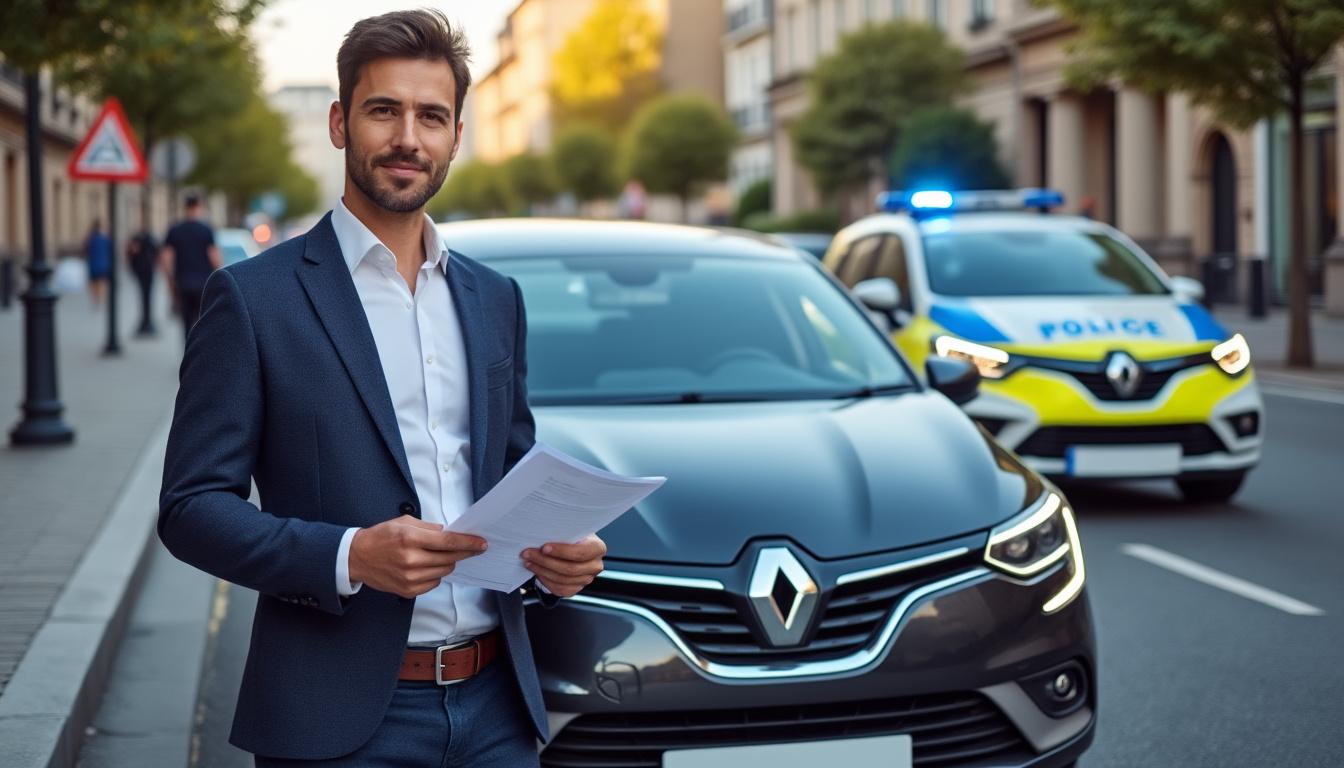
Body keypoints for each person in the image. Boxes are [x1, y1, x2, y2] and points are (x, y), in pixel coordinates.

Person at [158, 10, 606, 766]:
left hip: (498, 706)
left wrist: (562, 554)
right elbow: (191, 508)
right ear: (340, 123)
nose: (409, 138)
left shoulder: (495, 298)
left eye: (432, 116)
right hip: (339, 721)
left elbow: (514, 478)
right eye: (383, 110)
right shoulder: (252, 299)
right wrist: (349, 556)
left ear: (456, 137)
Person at [159, 193, 220, 342]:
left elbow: (166, 258)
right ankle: (200, 357)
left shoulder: (175, 229)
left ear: (185, 207)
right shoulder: (206, 229)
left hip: (183, 282)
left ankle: (187, 357)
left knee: (185, 322)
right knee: (203, 322)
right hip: (203, 284)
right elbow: (215, 257)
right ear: (198, 207)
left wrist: (170, 280)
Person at [126, 223, 158, 336]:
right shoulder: (149, 240)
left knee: (145, 296)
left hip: (144, 271)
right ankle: (146, 321)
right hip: (146, 271)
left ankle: (146, 321)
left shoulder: (141, 240)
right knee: (146, 297)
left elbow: (131, 253)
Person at [85, 219, 111, 308]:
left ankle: (96, 299)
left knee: (94, 282)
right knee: (101, 282)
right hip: (103, 263)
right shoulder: (105, 238)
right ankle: (100, 299)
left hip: (93, 263)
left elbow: (86, 250)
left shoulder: (90, 238)